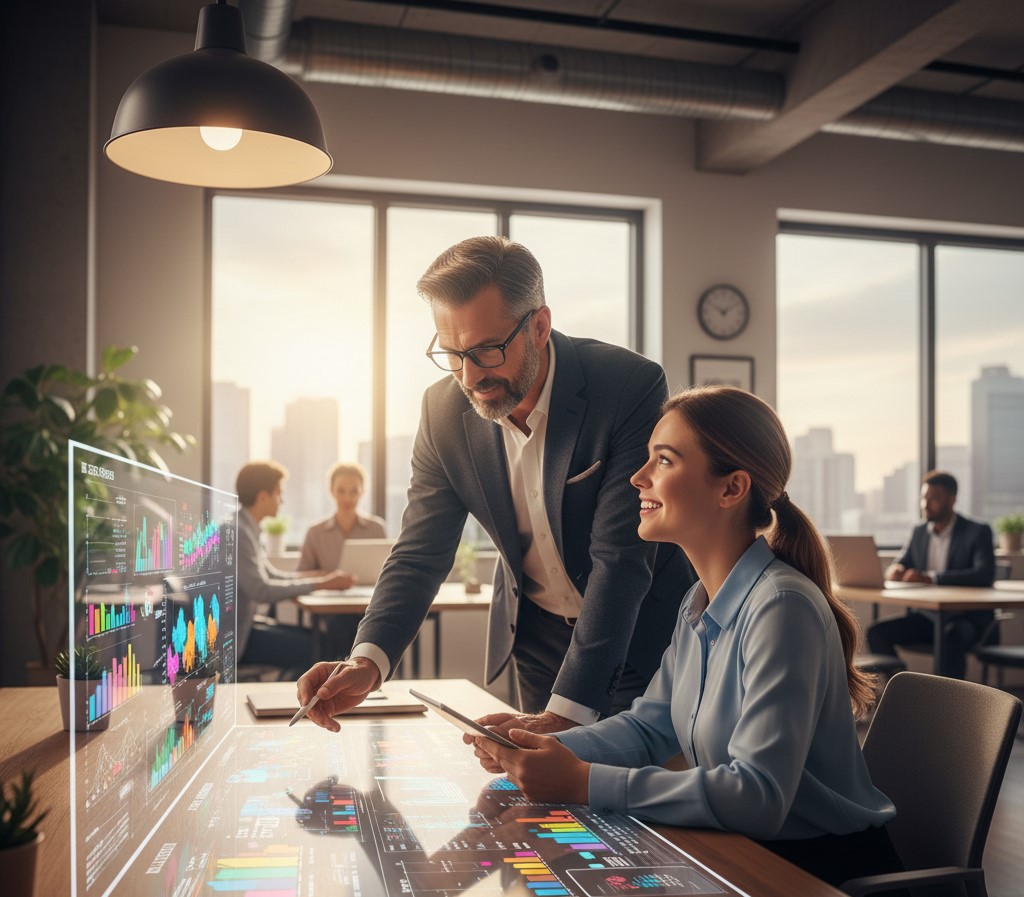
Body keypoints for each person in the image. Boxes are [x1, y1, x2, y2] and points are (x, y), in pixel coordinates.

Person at [470, 386, 903, 889]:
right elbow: (649, 728)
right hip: (748, 849)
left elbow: (758, 795)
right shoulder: (699, 600)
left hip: (817, 873)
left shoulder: (782, 608)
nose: (638, 477)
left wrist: (583, 781)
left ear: (731, 489)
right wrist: (543, 743)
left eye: (664, 461)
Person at [298, 236, 694, 733]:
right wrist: (366, 661)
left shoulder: (626, 386)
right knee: (550, 804)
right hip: (537, 636)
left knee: (636, 795)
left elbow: (619, 559)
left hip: (638, 633)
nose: (469, 377)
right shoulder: (441, 410)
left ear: (539, 326)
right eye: (452, 354)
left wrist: (565, 714)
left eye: (487, 350)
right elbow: (421, 549)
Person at [867, 470, 995, 679]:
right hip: (927, 618)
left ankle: (948, 704)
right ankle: (904, 693)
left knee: (950, 635)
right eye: (923, 498)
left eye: (933, 498)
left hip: (964, 619)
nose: (926, 504)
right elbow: (901, 562)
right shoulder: (919, 532)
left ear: (952, 500)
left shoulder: (977, 531)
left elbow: (984, 574)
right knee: (876, 632)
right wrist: (895, 569)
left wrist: (932, 578)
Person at [235, 461, 355, 678]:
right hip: (236, 639)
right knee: (319, 648)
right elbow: (261, 590)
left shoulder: (246, 529)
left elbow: (271, 575)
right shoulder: (240, 533)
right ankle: (302, 702)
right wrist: (321, 583)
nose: (282, 500)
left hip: (246, 627)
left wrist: (318, 576)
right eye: (279, 493)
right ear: (263, 497)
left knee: (320, 640)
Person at [299, 461, 387, 658]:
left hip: (368, 604)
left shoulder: (376, 528)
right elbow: (301, 575)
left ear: (362, 492)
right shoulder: (316, 532)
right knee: (342, 624)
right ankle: (341, 679)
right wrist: (330, 579)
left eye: (354, 491)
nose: (347, 497)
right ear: (331, 491)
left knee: (380, 625)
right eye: (341, 490)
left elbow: (386, 571)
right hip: (331, 608)